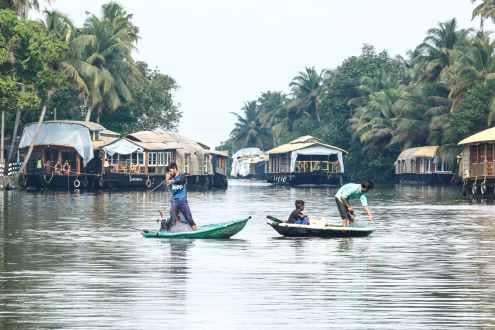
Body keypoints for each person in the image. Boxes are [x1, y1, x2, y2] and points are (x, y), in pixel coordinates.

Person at [165, 162, 197, 231]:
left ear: (175, 168)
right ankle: (165, 231)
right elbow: (169, 188)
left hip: (182, 201)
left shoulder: (182, 176)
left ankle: (195, 231)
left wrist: (171, 181)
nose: (170, 173)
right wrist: (167, 180)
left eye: (170, 171)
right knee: (172, 219)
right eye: (169, 172)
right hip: (174, 201)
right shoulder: (170, 178)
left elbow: (180, 181)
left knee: (189, 218)